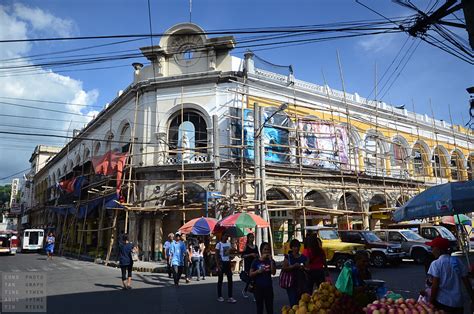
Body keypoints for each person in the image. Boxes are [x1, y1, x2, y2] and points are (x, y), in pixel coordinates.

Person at [427, 237, 474, 314]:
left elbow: (435, 286)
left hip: (442, 302)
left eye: (433, 248)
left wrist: (431, 301)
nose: (432, 251)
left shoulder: (436, 263)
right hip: (458, 303)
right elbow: (466, 282)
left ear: (439, 249)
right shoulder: (457, 261)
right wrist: (472, 298)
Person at [250, 242, 276, 314]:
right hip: (258, 288)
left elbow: (273, 273)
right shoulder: (256, 261)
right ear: (261, 251)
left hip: (268, 287)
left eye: (268, 249)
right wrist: (258, 271)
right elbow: (250, 274)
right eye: (265, 249)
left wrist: (271, 260)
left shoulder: (270, 261)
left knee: (270, 308)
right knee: (259, 308)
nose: (267, 251)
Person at [282, 239, 307, 306]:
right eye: (294, 246)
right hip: (291, 282)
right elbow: (284, 268)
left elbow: (308, 268)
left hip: (301, 283)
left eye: (297, 246)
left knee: (302, 303)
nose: (296, 248)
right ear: (291, 247)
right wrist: (293, 266)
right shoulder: (288, 257)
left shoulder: (303, 257)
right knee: (293, 303)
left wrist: (303, 267)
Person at [215, 233, 236, 303]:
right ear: (222, 236)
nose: (227, 237)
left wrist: (232, 251)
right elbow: (216, 256)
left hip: (227, 263)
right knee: (220, 280)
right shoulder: (219, 244)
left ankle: (230, 297)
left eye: (227, 235)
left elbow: (231, 255)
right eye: (225, 235)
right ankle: (219, 296)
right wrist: (218, 265)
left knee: (230, 280)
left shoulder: (229, 244)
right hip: (221, 263)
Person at [241, 233, 259, 298]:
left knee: (253, 279)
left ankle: (246, 290)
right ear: (248, 239)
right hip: (248, 265)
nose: (252, 239)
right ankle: (253, 293)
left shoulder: (255, 246)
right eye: (251, 237)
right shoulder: (246, 247)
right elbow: (242, 255)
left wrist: (256, 256)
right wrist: (250, 254)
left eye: (253, 237)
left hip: (255, 264)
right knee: (251, 279)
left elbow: (258, 255)